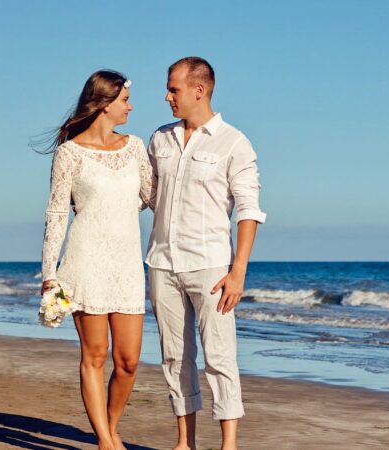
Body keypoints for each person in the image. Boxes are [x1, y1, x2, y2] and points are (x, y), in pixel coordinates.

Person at [146, 56, 266, 450]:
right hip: (162, 263)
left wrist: (239, 271)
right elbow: (145, 195)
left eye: (174, 89)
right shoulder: (159, 139)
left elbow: (248, 209)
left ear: (199, 90)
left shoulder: (235, 142)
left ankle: (228, 445)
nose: (167, 97)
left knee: (219, 357)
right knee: (174, 357)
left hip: (212, 266)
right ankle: (185, 442)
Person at [39, 70, 155, 450]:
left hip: (126, 266)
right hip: (84, 261)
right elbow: (57, 213)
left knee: (128, 362)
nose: (130, 106)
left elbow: (152, 197)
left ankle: (110, 427)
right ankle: (106, 441)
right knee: (95, 355)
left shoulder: (135, 147)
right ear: (104, 104)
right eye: (124, 100)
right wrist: (48, 275)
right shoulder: (69, 153)